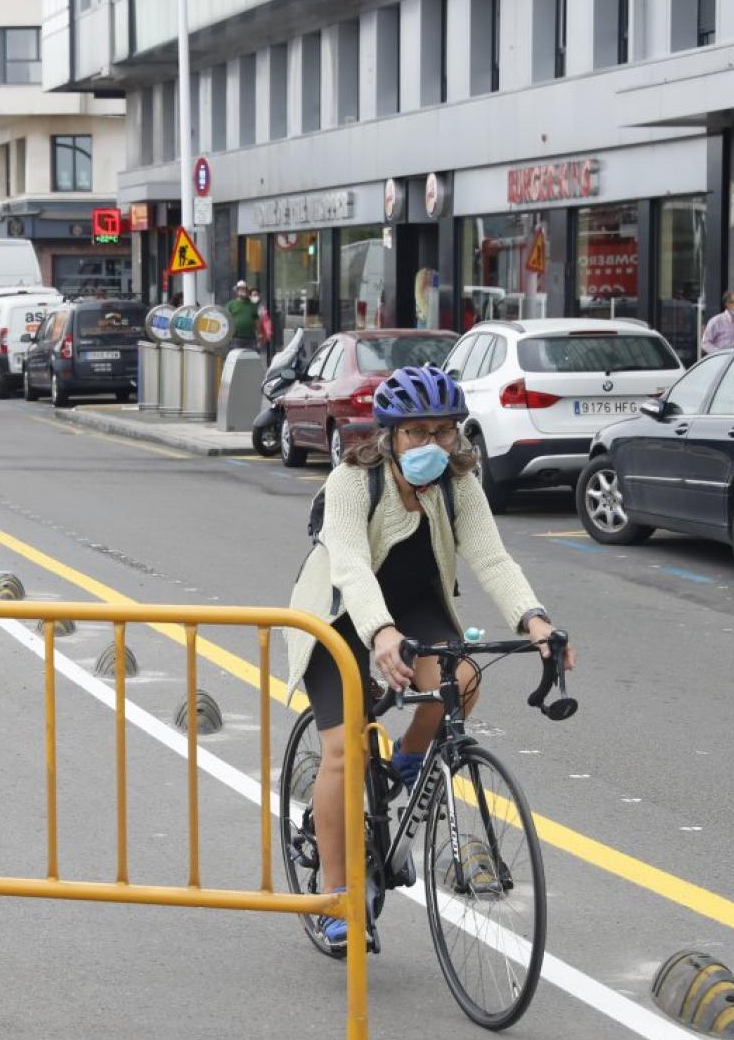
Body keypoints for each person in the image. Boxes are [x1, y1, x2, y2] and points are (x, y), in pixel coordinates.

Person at [283, 365, 575, 947]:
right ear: (388, 436)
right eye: (416, 432)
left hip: (417, 607)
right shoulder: (350, 481)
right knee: (341, 749)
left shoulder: (458, 482)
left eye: (443, 431)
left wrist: (534, 619)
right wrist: (381, 633)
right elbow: (351, 566)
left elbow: (491, 557)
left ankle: (410, 766)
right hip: (343, 614)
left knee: (462, 679)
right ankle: (335, 898)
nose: (432, 444)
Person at [699, 289, 734, 355]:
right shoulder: (716, 321)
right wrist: (721, 354)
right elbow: (705, 343)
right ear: (728, 304)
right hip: (723, 361)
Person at [225, 279, 259, 346]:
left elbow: (257, 321)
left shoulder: (252, 305)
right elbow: (225, 320)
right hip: (236, 338)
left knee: (251, 356)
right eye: (240, 289)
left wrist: (259, 334)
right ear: (237, 291)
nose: (242, 291)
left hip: (251, 338)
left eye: (244, 289)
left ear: (247, 291)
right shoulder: (231, 305)